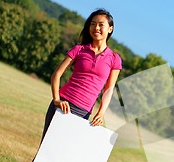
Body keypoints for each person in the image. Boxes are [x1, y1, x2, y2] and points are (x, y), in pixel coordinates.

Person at [40, 8, 122, 141]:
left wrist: (101, 113)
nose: (96, 27)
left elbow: (108, 89)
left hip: (84, 112)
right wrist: (56, 99)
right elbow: (57, 74)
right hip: (62, 104)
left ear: (110, 29)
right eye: (93, 23)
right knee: (45, 150)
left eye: (101, 24)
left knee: (64, 153)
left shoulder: (114, 59)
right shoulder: (79, 50)